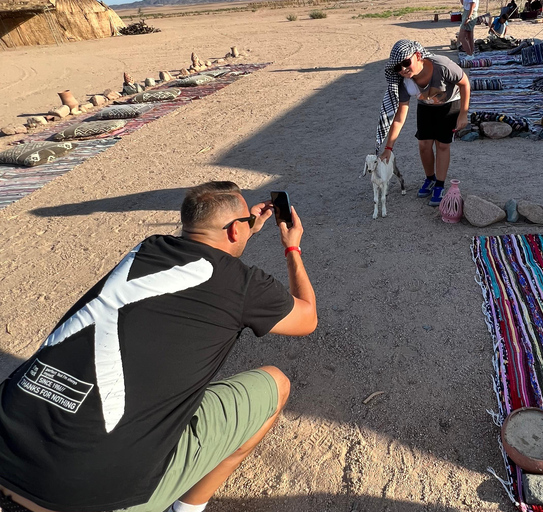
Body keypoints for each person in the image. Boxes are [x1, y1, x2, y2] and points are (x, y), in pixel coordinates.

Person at [0, 181, 317, 512]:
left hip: (7, 445)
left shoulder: (146, 248)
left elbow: (208, 247)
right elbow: (307, 318)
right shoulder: (246, 285)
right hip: (89, 495)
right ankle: (185, 509)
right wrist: (291, 247)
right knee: (276, 384)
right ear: (235, 232)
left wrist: (244, 223)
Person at [376, 40, 471, 207]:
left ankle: (440, 185)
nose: (403, 69)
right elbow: (399, 117)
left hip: (450, 104)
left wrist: (463, 114)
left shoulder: (442, 66)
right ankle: (430, 179)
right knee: (424, 144)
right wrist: (388, 148)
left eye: (406, 63)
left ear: (418, 56)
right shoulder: (405, 82)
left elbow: (464, 83)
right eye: (398, 67)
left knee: (442, 145)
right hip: (426, 106)